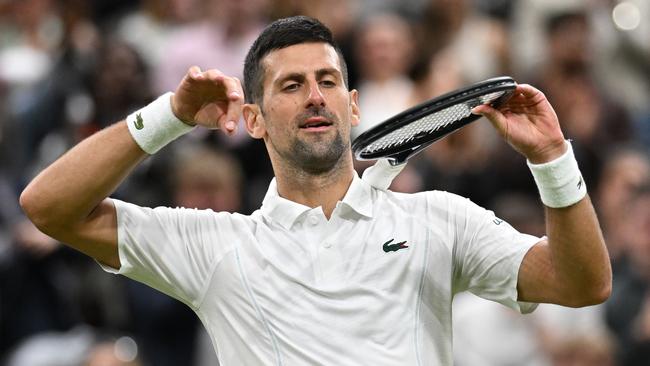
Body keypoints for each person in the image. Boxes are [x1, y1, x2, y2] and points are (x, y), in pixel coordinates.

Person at [20, 16, 611, 365]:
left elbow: (583, 283)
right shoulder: (214, 245)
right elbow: (48, 206)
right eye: (292, 85)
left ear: (352, 107)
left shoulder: (440, 219)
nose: (314, 96)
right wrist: (169, 115)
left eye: (328, 81)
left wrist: (553, 160)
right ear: (253, 119)